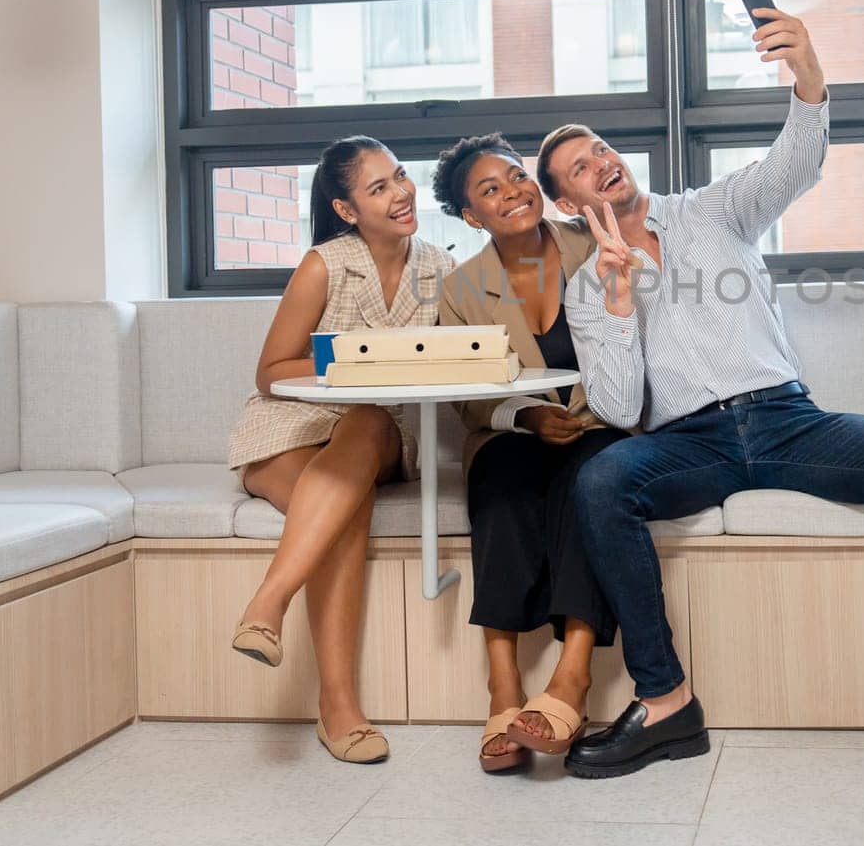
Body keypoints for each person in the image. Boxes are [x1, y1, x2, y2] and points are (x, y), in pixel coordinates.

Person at [538, 8, 864, 781]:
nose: (603, 164)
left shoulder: (713, 209)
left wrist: (808, 72)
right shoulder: (589, 288)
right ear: (567, 203)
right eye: (582, 169)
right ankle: (665, 702)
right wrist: (622, 301)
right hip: (686, 442)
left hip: (788, 419)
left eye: (601, 149)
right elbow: (621, 410)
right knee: (599, 481)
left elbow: (794, 161)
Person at [226, 136, 454, 765]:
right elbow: (271, 372)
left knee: (367, 422)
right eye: (378, 187)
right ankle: (338, 706)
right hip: (289, 430)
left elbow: (462, 361)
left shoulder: (441, 267)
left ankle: (269, 601)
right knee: (344, 515)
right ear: (347, 210)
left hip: (371, 431)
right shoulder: (324, 264)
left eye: (400, 177)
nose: (401, 193)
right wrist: (354, 362)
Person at [432, 133, 629, 773]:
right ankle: (504, 685)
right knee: (501, 481)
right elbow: (465, 398)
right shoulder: (462, 288)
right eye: (490, 189)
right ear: (470, 216)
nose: (512, 192)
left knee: (591, 483)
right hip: (515, 433)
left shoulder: (593, 241)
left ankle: (572, 678)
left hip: (601, 425)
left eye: (516, 177)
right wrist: (524, 415)